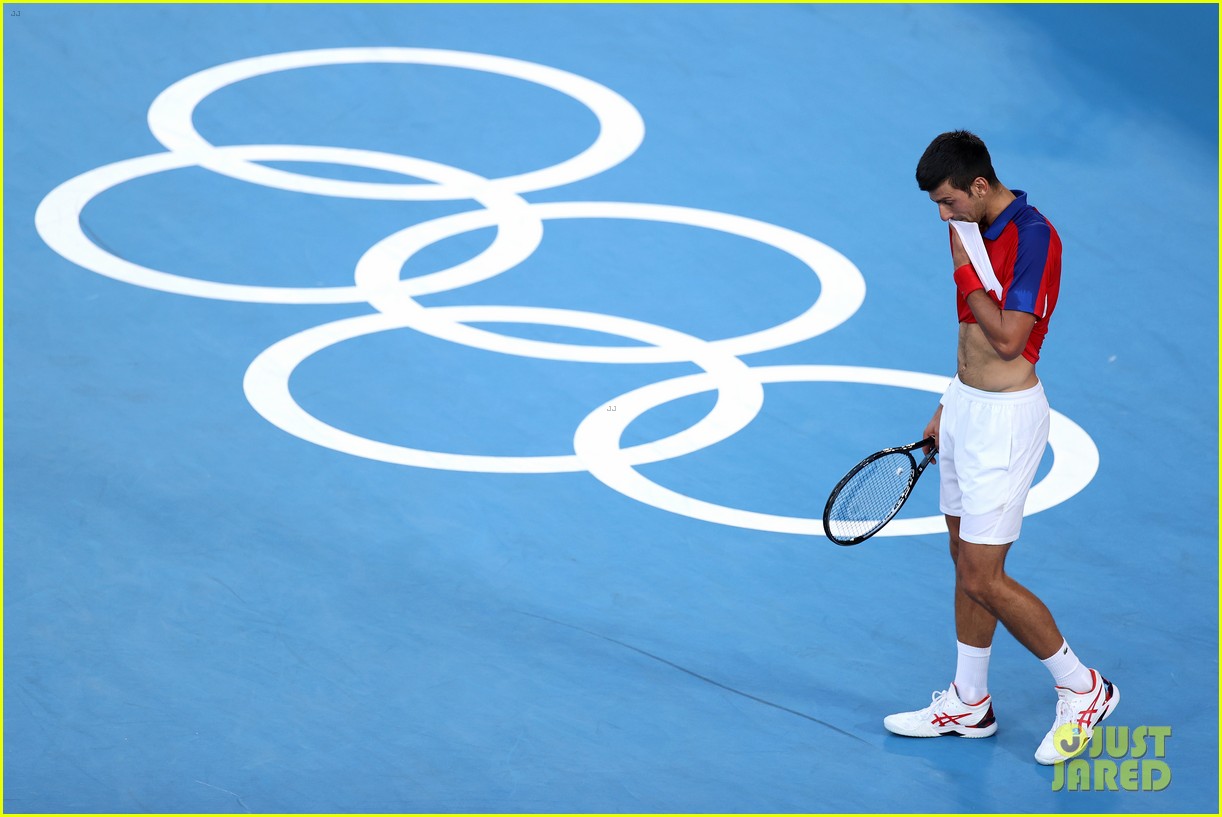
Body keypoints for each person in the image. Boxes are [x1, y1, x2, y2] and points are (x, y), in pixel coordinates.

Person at [882, 131, 1118, 765]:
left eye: (949, 202)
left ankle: (1083, 686)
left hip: (1006, 422)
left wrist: (963, 268)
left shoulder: (1035, 237)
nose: (943, 215)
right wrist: (947, 399)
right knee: (964, 561)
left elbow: (1011, 339)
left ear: (979, 186)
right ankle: (969, 701)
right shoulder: (971, 227)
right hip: (964, 408)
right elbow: (970, 330)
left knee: (985, 576)